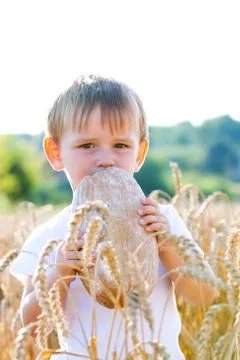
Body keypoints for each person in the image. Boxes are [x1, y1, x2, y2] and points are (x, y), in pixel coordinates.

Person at [10, 74, 216, 359]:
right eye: (87, 146)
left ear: (140, 152)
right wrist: (60, 274)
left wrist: (168, 247)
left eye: (120, 145)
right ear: (55, 152)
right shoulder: (48, 237)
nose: (105, 159)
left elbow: (205, 296)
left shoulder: (160, 220)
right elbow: (32, 327)